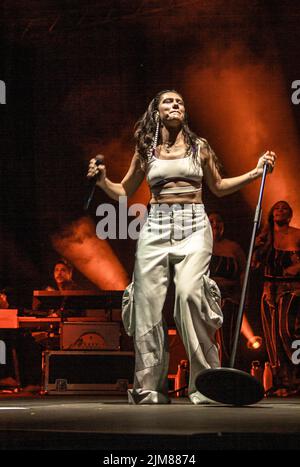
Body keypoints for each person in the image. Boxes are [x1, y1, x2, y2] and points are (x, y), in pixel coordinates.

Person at [88, 89, 276, 405]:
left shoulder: (198, 147)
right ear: (157, 111)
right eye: (168, 101)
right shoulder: (146, 150)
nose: (175, 104)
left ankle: (206, 384)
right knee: (147, 302)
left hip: (193, 222)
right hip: (157, 222)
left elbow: (218, 185)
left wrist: (255, 173)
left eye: (180, 102)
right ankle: (149, 387)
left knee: (191, 293)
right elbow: (124, 190)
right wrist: (102, 180)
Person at [253, 201, 300, 395]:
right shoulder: (265, 237)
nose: (280, 210)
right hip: (269, 288)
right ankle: (282, 381)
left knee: (286, 331)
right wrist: (256, 247)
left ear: (289, 215)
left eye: (284, 208)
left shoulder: (297, 234)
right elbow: (254, 265)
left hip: (292, 288)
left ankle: (297, 376)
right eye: (277, 208)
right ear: (272, 214)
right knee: (272, 338)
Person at [208, 212, 247, 365]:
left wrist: (243, 295)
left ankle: (225, 376)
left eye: (219, 221)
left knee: (227, 340)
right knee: (205, 339)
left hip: (230, 298)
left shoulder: (233, 247)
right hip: (205, 298)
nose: (215, 224)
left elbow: (244, 271)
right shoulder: (198, 245)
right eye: (211, 221)